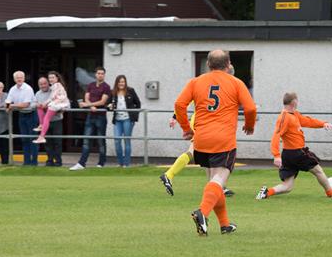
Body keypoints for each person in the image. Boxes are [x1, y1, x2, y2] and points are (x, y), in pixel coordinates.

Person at [174, 50, 256, 236]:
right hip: (223, 139)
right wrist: (250, 125)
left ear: (208, 64)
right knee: (220, 179)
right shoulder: (236, 83)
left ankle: (224, 224)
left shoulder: (195, 82)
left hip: (201, 140)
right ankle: (202, 213)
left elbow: (179, 105)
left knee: (213, 181)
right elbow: (250, 108)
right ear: (228, 64)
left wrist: (186, 128)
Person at [160, 63, 237, 197]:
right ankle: (169, 174)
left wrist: (174, 117)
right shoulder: (224, 86)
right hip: (204, 123)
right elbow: (183, 102)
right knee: (194, 151)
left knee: (206, 154)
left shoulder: (205, 82)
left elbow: (184, 101)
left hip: (204, 122)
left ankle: (215, 185)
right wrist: (175, 116)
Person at [256, 92, 332, 200]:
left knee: (287, 187)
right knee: (318, 171)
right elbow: (276, 135)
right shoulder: (284, 117)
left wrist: (323, 124)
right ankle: (331, 194)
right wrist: (276, 155)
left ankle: (266, 192)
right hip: (297, 153)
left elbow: (308, 121)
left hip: (289, 155)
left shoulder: (294, 114)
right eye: (297, 100)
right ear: (294, 102)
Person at [70, 67, 110, 170]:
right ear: (95, 74)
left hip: (101, 117)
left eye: (102, 73)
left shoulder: (106, 87)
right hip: (90, 116)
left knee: (101, 141)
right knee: (86, 140)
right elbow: (86, 97)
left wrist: (88, 105)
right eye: (98, 73)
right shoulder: (91, 85)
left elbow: (103, 101)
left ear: (104, 75)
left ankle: (101, 163)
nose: (100, 75)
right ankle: (81, 163)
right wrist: (91, 106)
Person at [5, 71, 37, 165]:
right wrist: (8, 106)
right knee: (24, 139)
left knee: (32, 139)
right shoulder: (13, 89)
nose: (19, 79)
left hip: (32, 114)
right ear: (14, 79)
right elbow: (8, 101)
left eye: (21, 77)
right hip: (22, 115)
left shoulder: (28, 89)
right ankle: (26, 162)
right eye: (17, 77)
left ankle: (34, 162)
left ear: (24, 78)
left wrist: (12, 106)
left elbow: (25, 104)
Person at [108, 74, 141, 167]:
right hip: (117, 120)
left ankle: (126, 164)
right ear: (116, 83)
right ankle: (120, 163)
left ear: (125, 83)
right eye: (119, 82)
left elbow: (138, 104)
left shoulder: (130, 91)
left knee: (127, 140)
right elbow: (107, 105)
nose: (121, 83)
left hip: (128, 120)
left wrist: (134, 116)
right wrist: (109, 106)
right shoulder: (113, 92)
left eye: (123, 82)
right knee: (117, 140)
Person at [32, 76, 65, 166]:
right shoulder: (37, 94)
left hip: (56, 120)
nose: (43, 85)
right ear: (38, 85)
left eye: (44, 83)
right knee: (47, 142)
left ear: (48, 83)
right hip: (44, 122)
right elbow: (33, 104)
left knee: (57, 142)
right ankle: (49, 161)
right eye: (41, 84)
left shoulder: (54, 91)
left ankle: (58, 161)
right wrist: (37, 105)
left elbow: (62, 103)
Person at [33, 71, 70, 144]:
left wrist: (45, 103)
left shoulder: (56, 85)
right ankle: (41, 125)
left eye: (53, 77)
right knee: (39, 107)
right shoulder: (54, 86)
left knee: (46, 118)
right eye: (49, 78)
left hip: (59, 104)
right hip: (56, 103)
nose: (51, 79)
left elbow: (52, 97)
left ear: (57, 78)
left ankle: (41, 137)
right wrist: (42, 104)